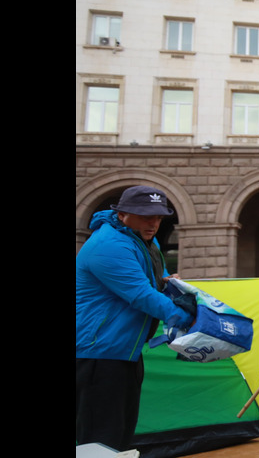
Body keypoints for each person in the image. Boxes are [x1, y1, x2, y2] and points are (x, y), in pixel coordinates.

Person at [76, 185, 196, 451]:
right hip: (98, 353)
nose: (153, 222)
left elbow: (155, 282)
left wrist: (168, 283)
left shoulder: (144, 240)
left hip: (124, 350)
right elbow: (141, 295)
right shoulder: (108, 245)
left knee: (119, 433)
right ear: (122, 214)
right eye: (145, 215)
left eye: (158, 216)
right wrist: (191, 320)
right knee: (99, 440)